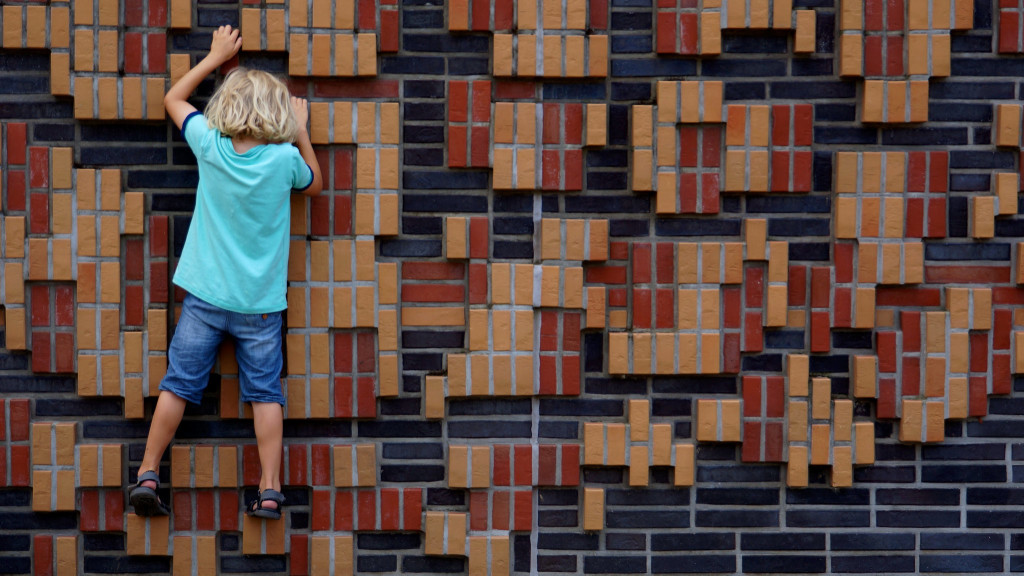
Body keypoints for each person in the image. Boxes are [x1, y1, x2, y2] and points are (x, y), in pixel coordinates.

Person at [128, 24, 323, 520]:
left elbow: (173, 97)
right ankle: (271, 489)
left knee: (178, 385)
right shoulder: (283, 161)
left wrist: (215, 57)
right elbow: (316, 185)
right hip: (260, 306)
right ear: (275, 113)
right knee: (265, 395)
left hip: (205, 299)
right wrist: (300, 129)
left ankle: (148, 471)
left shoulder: (210, 147)